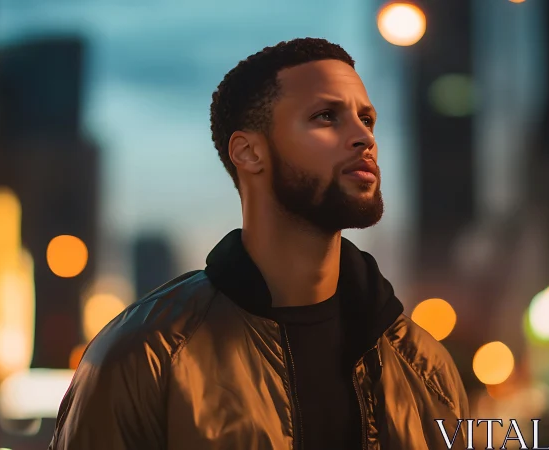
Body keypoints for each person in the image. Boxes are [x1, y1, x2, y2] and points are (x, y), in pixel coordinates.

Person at [49, 37, 469, 450]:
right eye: (326, 116)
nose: (364, 138)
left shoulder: (424, 366)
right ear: (249, 152)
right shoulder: (146, 355)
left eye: (367, 119)